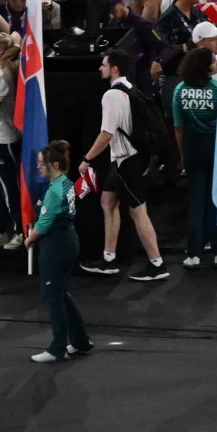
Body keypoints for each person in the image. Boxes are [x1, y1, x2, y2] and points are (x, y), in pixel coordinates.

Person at [76, 48, 168, 281]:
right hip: (129, 159)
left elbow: (107, 134)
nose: (100, 68)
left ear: (114, 68)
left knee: (138, 212)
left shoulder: (111, 95)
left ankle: (156, 264)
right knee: (108, 202)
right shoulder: (131, 89)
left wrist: (86, 159)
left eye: (104, 64)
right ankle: (108, 259)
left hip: (126, 161)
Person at [26, 141, 92, 364]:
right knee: (61, 293)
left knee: (53, 298)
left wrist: (29, 239)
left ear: (54, 164)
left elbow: (43, 224)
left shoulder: (54, 191)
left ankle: (57, 348)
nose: (38, 167)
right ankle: (81, 341)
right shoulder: (65, 183)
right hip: (69, 240)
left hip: (56, 246)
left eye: (41, 164)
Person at [171, 45, 217, 268]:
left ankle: (193, 253)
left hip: (192, 146)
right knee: (216, 200)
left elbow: (178, 127)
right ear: (206, 67)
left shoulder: (179, 91)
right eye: (214, 62)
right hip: (216, 146)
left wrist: (182, 154)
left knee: (196, 200)